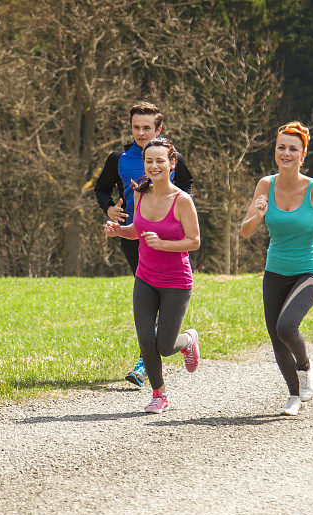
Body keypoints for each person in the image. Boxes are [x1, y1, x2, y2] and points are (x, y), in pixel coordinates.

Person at [241, 121, 313, 415]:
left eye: (293, 149)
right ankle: (293, 395)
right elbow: (246, 231)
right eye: (282, 147)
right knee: (275, 336)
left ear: (303, 155)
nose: (286, 153)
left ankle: (306, 367)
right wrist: (258, 213)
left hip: (308, 271)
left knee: (286, 326)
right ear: (275, 151)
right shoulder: (265, 185)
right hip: (275, 271)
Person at [94, 101, 194, 388]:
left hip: (168, 237)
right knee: (148, 296)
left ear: (158, 128)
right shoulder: (119, 158)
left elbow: (187, 186)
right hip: (133, 235)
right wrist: (110, 209)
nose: (141, 133)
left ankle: (145, 361)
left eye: (147, 128)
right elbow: (102, 189)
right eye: (136, 127)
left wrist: (175, 216)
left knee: (164, 294)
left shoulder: (172, 158)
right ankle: (149, 361)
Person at [103, 138, 200, 414]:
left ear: (172, 164)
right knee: (146, 339)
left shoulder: (182, 201)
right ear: (144, 165)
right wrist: (119, 230)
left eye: (160, 160)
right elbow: (138, 229)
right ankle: (160, 394)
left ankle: (188, 341)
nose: (154, 166)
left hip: (176, 283)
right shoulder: (140, 193)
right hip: (145, 278)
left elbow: (194, 241)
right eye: (149, 161)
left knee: (165, 345)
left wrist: (163, 244)